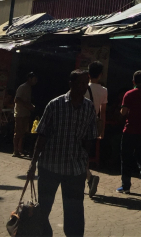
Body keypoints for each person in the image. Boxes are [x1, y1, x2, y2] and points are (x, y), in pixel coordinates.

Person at [27, 69, 98, 237]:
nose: (83, 87)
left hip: (75, 170)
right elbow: (42, 135)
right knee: (43, 208)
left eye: (85, 83)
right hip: (50, 166)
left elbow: (90, 137)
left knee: (74, 210)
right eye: (79, 83)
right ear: (71, 84)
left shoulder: (89, 108)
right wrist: (33, 164)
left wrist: (85, 160)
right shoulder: (55, 104)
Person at [83, 61, 107, 197]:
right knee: (85, 154)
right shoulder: (104, 90)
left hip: (80, 124)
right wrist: (102, 130)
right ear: (101, 75)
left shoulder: (83, 88)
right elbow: (102, 112)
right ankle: (89, 178)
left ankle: (89, 178)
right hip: (92, 126)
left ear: (88, 73)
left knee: (77, 153)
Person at [13, 72, 38, 157]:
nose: (35, 81)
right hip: (20, 113)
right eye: (34, 79)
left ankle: (20, 150)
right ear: (29, 79)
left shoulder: (29, 88)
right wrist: (28, 106)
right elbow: (16, 99)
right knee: (18, 132)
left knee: (23, 132)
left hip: (26, 113)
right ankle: (15, 151)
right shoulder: (23, 87)